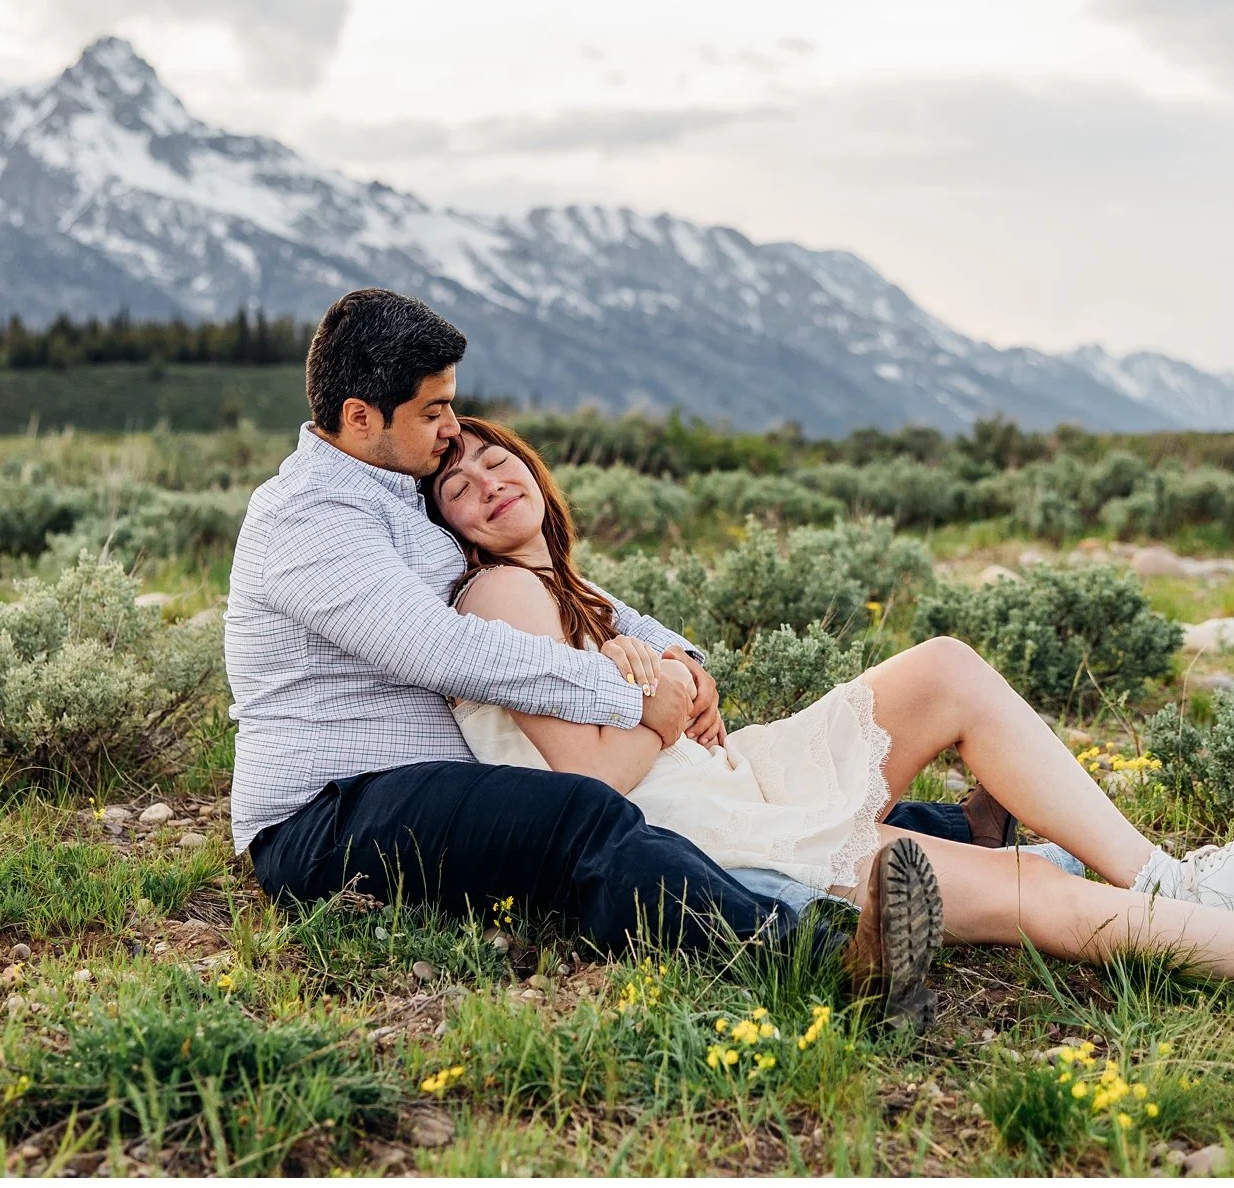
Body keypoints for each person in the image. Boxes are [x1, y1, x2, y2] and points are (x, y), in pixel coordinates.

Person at [423, 413, 1234, 1026]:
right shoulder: (498, 595)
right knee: (1024, 892)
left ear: (531, 463)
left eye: (491, 454)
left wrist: (670, 677)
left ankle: (1173, 879)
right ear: (452, 529)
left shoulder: (562, 585)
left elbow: (644, 704)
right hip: (710, 835)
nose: (483, 479)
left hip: (736, 781)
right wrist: (663, 705)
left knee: (945, 670)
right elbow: (592, 788)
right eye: (456, 484)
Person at [228, 288, 946, 1026]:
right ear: (359, 417)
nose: (450, 429)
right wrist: (631, 697)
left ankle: (953, 835)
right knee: (582, 816)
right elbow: (438, 648)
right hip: (327, 816)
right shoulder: (308, 516)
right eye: (432, 411)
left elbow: (550, 580)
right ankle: (825, 959)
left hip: (431, 786)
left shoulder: (401, 488)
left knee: (670, 800)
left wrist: (672, 653)